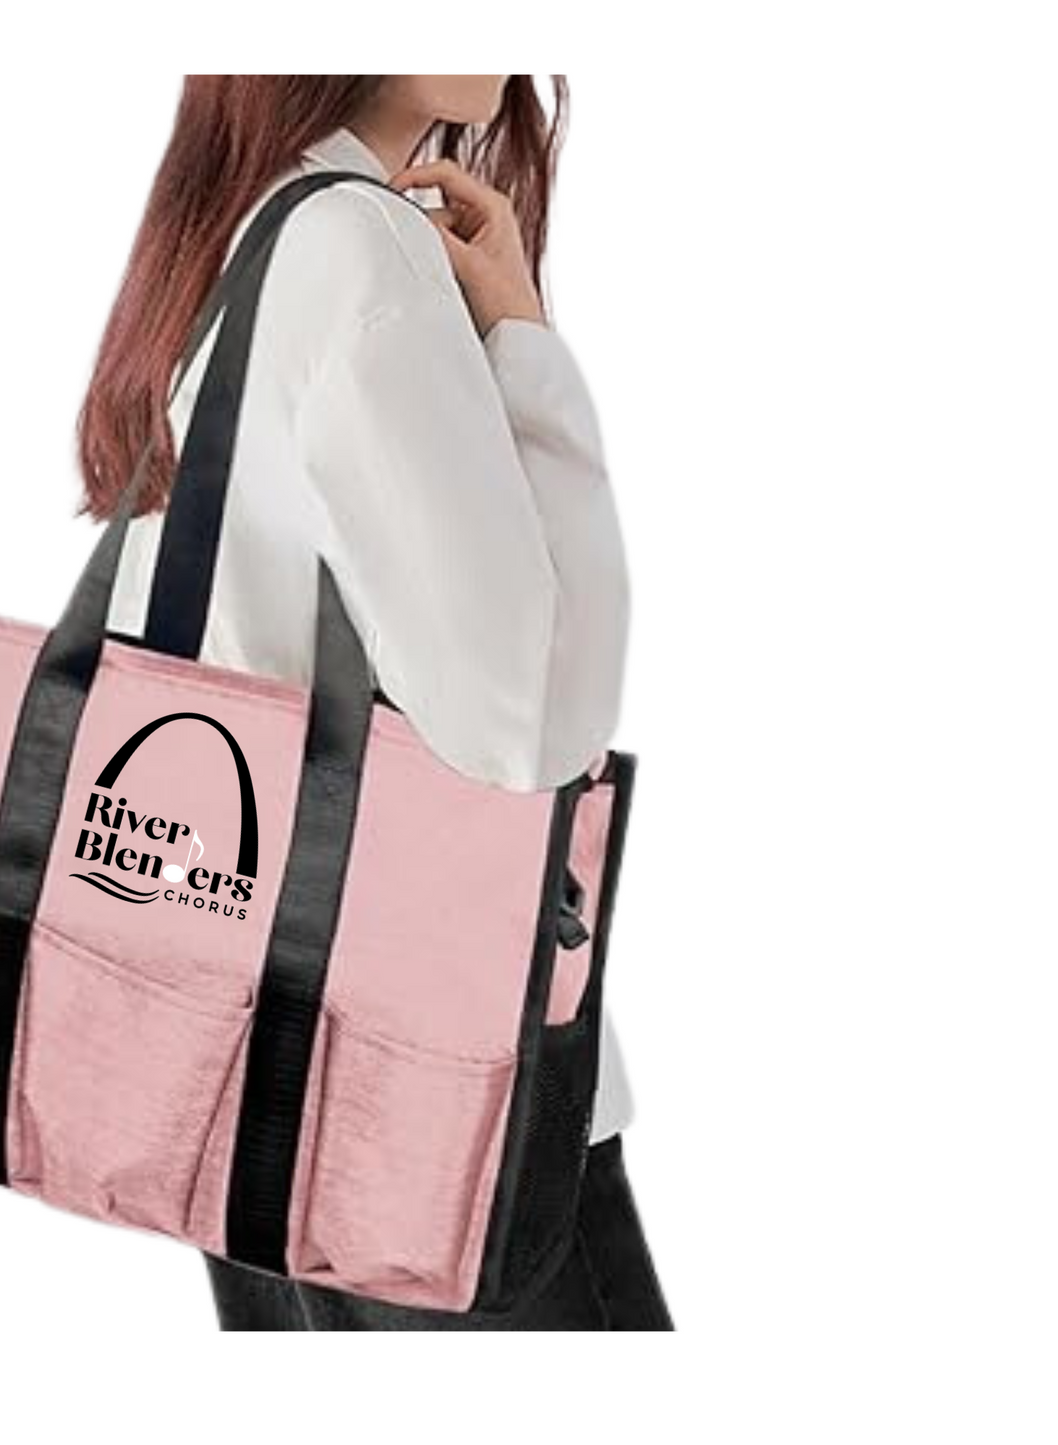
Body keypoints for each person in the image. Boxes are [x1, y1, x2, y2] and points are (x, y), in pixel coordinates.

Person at [79, 75, 672, 1330]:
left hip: (230, 1077)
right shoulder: (359, 249)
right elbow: (524, 724)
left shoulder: (232, 232)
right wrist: (523, 345)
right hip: (427, 1094)